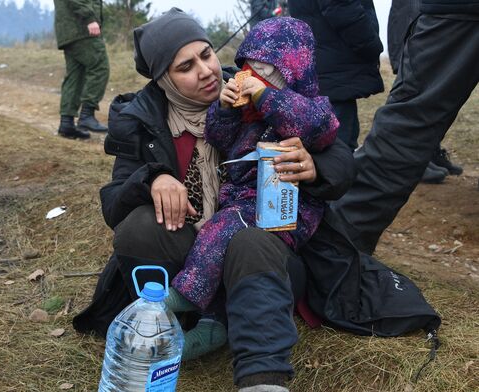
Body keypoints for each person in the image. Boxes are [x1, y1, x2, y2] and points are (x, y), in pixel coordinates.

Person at [73, 8, 441, 392]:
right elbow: (114, 204)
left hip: (266, 251)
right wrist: (153, 178)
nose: (206, 71)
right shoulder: (144, 118)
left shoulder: (258, 87)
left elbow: (337, 153)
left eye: (207, 54)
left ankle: (261, 375)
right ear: (164, 78)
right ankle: (170, 323)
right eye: (186, 66)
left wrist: (314, 166)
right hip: (192, 247)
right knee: (138, 228)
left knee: (247, 238)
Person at [165, 16, 338, 360]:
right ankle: (214, 323)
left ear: (290, 72)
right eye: (247, 65)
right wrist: (226, 110)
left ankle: (184, 293)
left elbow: (315, 128)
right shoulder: (247, 117)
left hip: (285, 211)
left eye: (264, 69)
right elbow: (219, 137)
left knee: (224, 230)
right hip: (240, 202)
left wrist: (266, 97)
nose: (251, 74)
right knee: (219, 239)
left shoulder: (313, 107)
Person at [331, 0, 479, 255]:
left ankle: (335, 243)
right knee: (409, 125)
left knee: (410, 124)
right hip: (458, 14)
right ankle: (333, 246)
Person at [287, 0, 384, 152]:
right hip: (336, 69)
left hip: (321, 67)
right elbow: (343, 9)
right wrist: (372, 45)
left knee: (330, 144)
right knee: (338, 148)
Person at [388, 0, 463, 184]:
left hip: (428, 42)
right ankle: (411, 162)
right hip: (416, 46)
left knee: (434, 101)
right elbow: (404, 16)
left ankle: (429, 154)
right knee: (413, 104)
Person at [53, 0, 110, 139]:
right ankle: (86, 115)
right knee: (100, 67)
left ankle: (66, 123)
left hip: (69, 30)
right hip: (81, 28)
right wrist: (90, 18)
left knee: (75, 76)